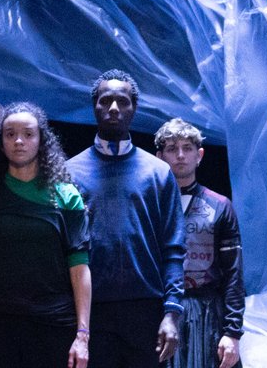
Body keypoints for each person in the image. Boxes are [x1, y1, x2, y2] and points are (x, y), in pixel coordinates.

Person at [66, 69, 185, 368]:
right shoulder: (69, 173)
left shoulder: (158, 172)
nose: (114, 108)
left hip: (146, 311)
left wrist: (171, 313)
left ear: (134, 108)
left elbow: (173, 249)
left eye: (123, 101)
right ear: (94, 107)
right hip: (87, 313)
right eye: (106, 101)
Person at [0, 103, 91, 368]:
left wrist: (82, 335)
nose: (19, 141)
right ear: (1, 143)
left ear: (41, 140)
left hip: (54, 326)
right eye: (10, 134)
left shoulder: (66, 196)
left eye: (28, 134)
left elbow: (79, 267)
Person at [154, 119, 243, 368]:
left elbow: (234, 272)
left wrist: (233, 331)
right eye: (172, 149)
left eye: (187, 148)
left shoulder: (219, 205)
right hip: (161, 313)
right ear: (160, 156)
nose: (180, 155)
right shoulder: (149, 205)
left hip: (208, 315)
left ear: (199, 154)